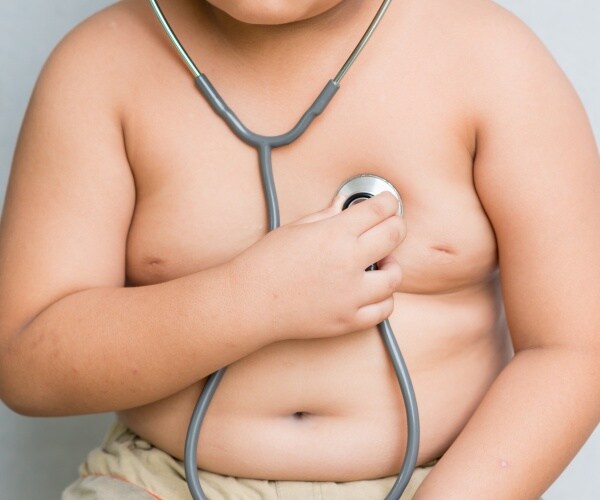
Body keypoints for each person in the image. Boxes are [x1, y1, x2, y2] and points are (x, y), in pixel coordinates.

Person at [1, 0, 599, 498]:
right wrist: (247, 301)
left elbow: (574, 350)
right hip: (161, 480)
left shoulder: (490, 59)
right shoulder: (101, 67)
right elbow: (25, 359)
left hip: (444, 485)